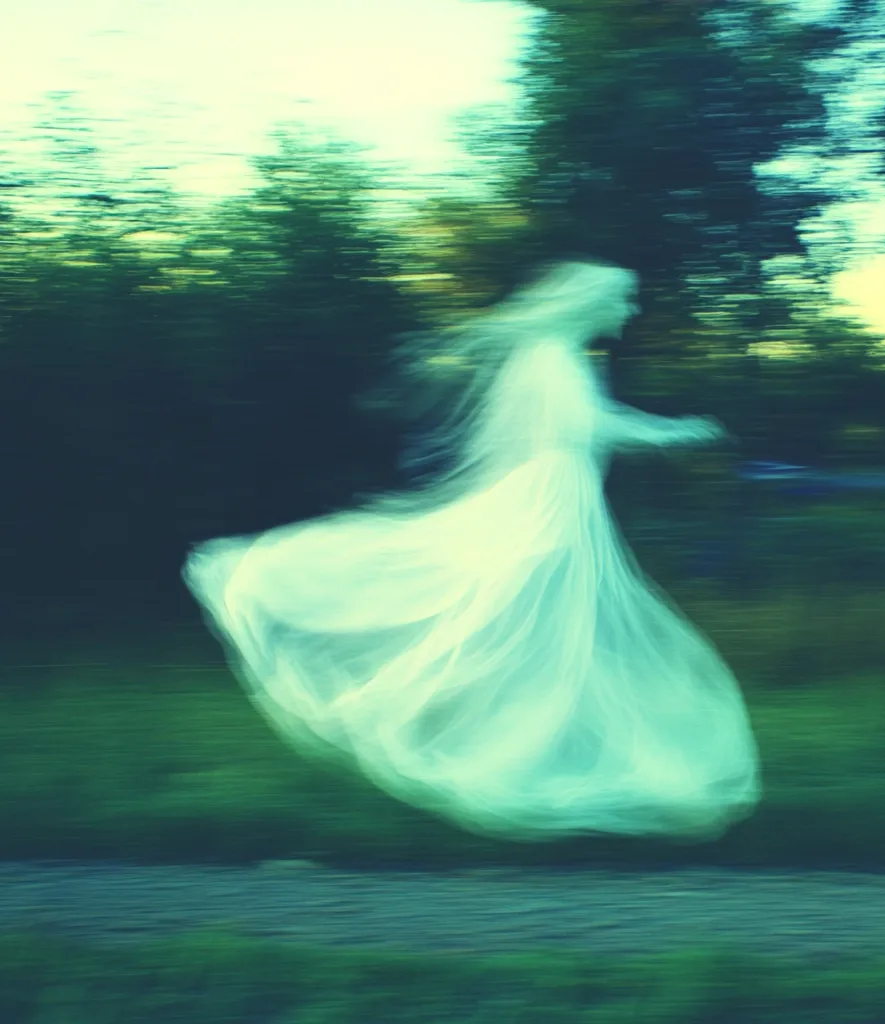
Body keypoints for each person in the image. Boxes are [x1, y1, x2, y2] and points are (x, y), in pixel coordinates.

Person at [184, 260, 760, 841]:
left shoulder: (553, 354)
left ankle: (524, 737)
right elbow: (589, 428)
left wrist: (670, 432)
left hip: (555, 506)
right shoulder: (553, 357)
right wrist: (676, 433)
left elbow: (585, 425)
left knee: (531, 630)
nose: (630, 310)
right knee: (505, 620)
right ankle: (454, 728)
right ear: (591, 304)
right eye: (624, 299)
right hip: (546, 510)